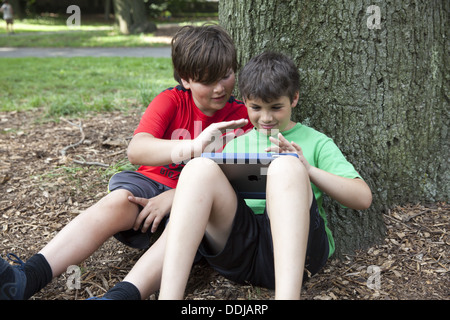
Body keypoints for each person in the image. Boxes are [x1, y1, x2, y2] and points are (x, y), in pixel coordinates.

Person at [0, 24, 252, 300]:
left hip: (200, 209)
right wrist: (193, 146)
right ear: (185, 79)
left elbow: (242, 180)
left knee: (182, 224)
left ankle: (119, 297)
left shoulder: (242, 117)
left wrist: (176, 196)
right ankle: (25, 279)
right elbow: (137, 150)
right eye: (208, 80)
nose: (220, 88)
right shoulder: (172, 101)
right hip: (148, 192)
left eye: (226, 75)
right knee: (118, 201)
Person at [158, 51, 373, 300]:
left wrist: (307, 169)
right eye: (256, 108)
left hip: (300, 255)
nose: (266, 118)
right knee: (198, 167)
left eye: (276, 107)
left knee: (286, 165)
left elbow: (362, 198)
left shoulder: (316, 142)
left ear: (294, 99)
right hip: (240, 251)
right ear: (246, 101)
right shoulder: (237, 142)